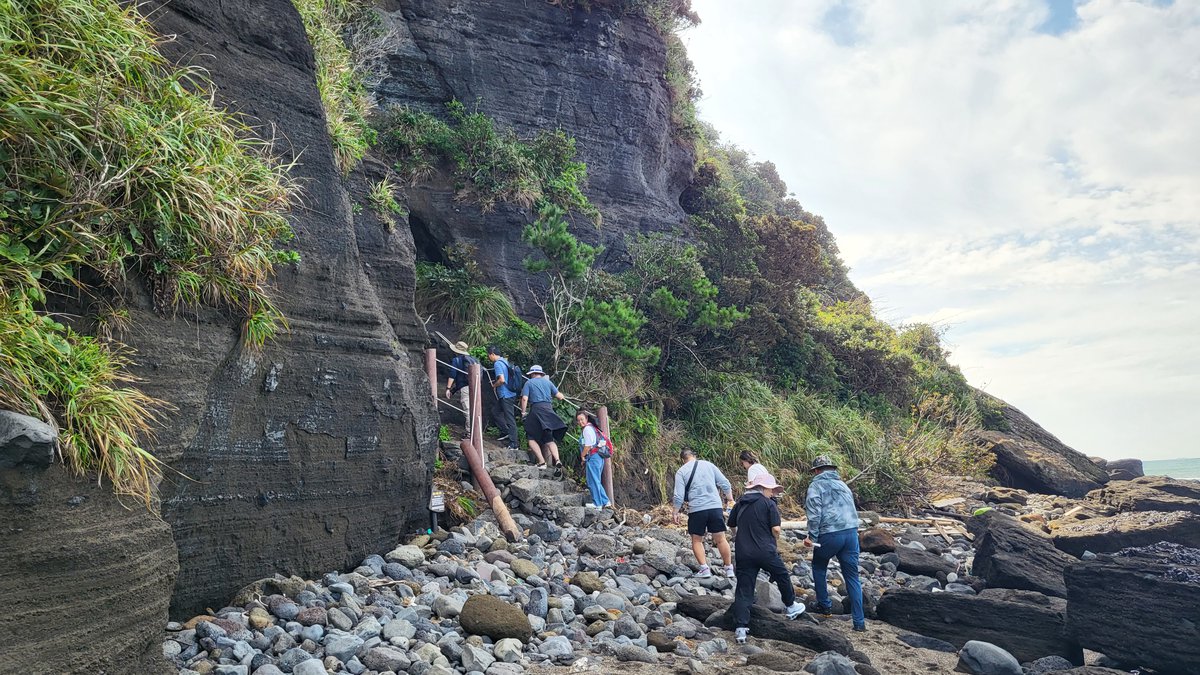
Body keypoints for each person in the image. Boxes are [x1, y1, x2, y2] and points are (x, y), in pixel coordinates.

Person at [727, 473, 808, 644]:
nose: (773, 493)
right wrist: (773, 539)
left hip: (743, 552)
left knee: (744, 588)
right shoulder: (768, 504)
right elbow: (776, 529)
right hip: (765, 550)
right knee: (781, 575)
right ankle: (791, 606)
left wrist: (739, 537)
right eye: (771, 490)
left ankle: (741, 628)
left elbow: (732, 525)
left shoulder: (740, 503)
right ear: (763, 488)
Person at [803, 455, 866, 632]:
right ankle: (859, 622)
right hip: (851, 533)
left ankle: (825, 605)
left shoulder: (816, 485)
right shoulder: (843, 485)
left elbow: (815, 514)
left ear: (816, 471)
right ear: (832, 469)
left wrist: (812, 537)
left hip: (830, 534)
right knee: (853, 577)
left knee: (819, 566)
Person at [672, 448, 735, 578]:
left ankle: (704, 569)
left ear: (682, 459)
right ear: (694, 455)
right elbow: (725, 483)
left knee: (697, 540)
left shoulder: (681, 472)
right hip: (715, 507)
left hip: (697, 509)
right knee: (721, 539)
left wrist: (675, 512)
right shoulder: (709, 465)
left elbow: (678, 496)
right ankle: (729, 569)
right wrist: (730, 499)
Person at [519, 365, 567, 472]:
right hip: (548, 410)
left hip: (536, 410)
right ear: (541, 374)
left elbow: (524, 399)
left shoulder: (529, 383)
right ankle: (557, 460)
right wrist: (561, 396)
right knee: (549, 439)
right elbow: (559, 396)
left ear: (532, 374)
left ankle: (541, 462)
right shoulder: (548, 383)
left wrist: (523, 412)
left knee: (531, 438)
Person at [486, 346, 520, 451]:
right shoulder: (505, 361)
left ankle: (514, 444)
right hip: (509, 394)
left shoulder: (497, 364)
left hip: (506, 395)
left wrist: (494, 385)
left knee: (509, 418)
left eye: (488, 355)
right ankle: (505, 432)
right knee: (495, 411)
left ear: (492, 354)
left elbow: (501, 380)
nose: (488, 357)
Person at [576, 410, 611, 508]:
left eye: (582, 419)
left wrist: (582, 456)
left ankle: (597, 504)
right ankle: (605, 501)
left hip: (593, 457)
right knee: (596, 480)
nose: (580, 422)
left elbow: (588, 446)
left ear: (586, 418)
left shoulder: (587, 429)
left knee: (592, 481)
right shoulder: (593, 427)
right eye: (578, 421)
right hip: (599, 457)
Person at [444, 341, 477, 437]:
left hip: (465, 388)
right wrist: (454, 390)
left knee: (467, 409)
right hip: (475, 386)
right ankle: (475, 431)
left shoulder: (457, 360)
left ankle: (470, 433)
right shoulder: (473, 359)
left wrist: (448, 388)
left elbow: (453, 374)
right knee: (474, 408)